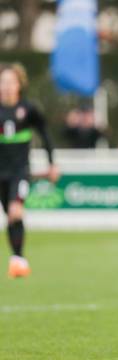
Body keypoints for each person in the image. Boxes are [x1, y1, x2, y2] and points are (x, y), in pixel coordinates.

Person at [0, 64, 58, 278]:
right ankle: (18, 259)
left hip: (20, 171)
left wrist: (52, 163)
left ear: (19, 85)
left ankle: (18, 261)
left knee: (16, 211)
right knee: (10, 216)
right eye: (2, 82)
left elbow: (45, 135)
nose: (5, 87)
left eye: (10, 82)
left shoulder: (29, 109)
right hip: (1, 174)